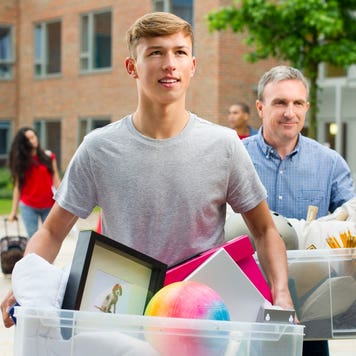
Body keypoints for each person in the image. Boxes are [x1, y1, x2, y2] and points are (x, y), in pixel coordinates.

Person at [1, 12, 294, 327]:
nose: (170, 63)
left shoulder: (224, 145)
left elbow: (265, 231)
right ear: (132, 67)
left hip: (202, 319)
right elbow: (51, 230)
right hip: (123, 318)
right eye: (156, 52)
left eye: (180, 52)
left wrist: (281, 293)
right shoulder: (99, 148)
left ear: (192, 66)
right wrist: (26, 283)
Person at [243, 65, 356, 356]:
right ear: (260, 107)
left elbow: (350, 225)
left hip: (311, 313)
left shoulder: (330, 164)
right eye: (279, 102)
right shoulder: (237, 157)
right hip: (246, 306)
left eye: (297, 103)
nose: (289, 112)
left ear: (307, 107)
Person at [7, 127, 61, 238]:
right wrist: (13, 211)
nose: (34, 140)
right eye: (29, 138)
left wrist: (63, 201)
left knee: (51, 238)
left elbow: (56, 180)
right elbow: (17, 187)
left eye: (34, 136)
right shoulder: (21, 161)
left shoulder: (49, 156)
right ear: (24, 143)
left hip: (49, 205)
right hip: (28, 206)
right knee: (33, 237)